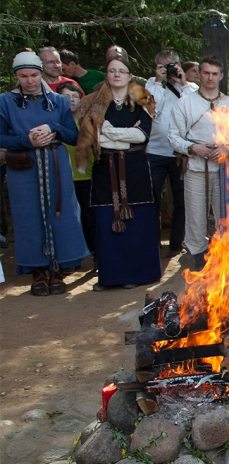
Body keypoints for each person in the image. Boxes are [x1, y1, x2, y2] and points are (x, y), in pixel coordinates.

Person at [0, 51, 89, 295]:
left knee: (62, 213)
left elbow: (73, 136)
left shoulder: (59, 102)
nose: (29, 80)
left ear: (41, 73)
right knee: (28, 217)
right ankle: (38, 271)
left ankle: (59, 269)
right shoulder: (5, 102)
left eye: (34, 75)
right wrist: (26, 139)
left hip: (55, 164)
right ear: (16, 76)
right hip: (23, 167)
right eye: (23, 76)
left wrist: (54, 129)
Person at [75, 55, 161, 291]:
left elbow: (142, 136)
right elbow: (93, 138)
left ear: (129, 75)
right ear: (107, 74)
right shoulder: (93, 103)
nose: (116, 74)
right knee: (105, 222)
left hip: (135, 169)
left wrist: (110, 132)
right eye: (112, 70)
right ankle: (110, 277)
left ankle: (137, 274)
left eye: (121, 71)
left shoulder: (143, 100)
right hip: (105, 169)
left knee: (137, 223)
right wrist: (122, 135)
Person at [168, 56, 229, 271]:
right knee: (195, 216)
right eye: (206, 73)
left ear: (221, 76)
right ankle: (199, 258)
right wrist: (192, 147)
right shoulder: (185, 103)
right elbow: (173, 136)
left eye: (214, 74)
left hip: (224, 170)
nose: (210, 77)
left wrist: (226, 148)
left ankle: (224, 257)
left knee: (225, 216)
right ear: (199, 75)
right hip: (196, 168)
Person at [146, 49, 195, 256]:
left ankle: (176, 242)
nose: (169, 69)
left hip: (180, 153)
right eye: (163, 66)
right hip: (154, 152)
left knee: (181, 200)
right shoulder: (150, 85)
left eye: (172, 65)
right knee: (153, 199)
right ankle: (152, 243)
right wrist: (159, 81)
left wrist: (182, 83)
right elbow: (151, 108)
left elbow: (195, 107)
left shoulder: (190, 87)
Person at [56, 81, 95, 253]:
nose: (71, 100)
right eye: (66, 97)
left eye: (75, 96)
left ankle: (95, 254)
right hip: (63, 178)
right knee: (67, 218)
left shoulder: (90, 121)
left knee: (89, 217)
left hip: (88, 178)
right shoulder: (55, 123)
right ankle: (71, 255)